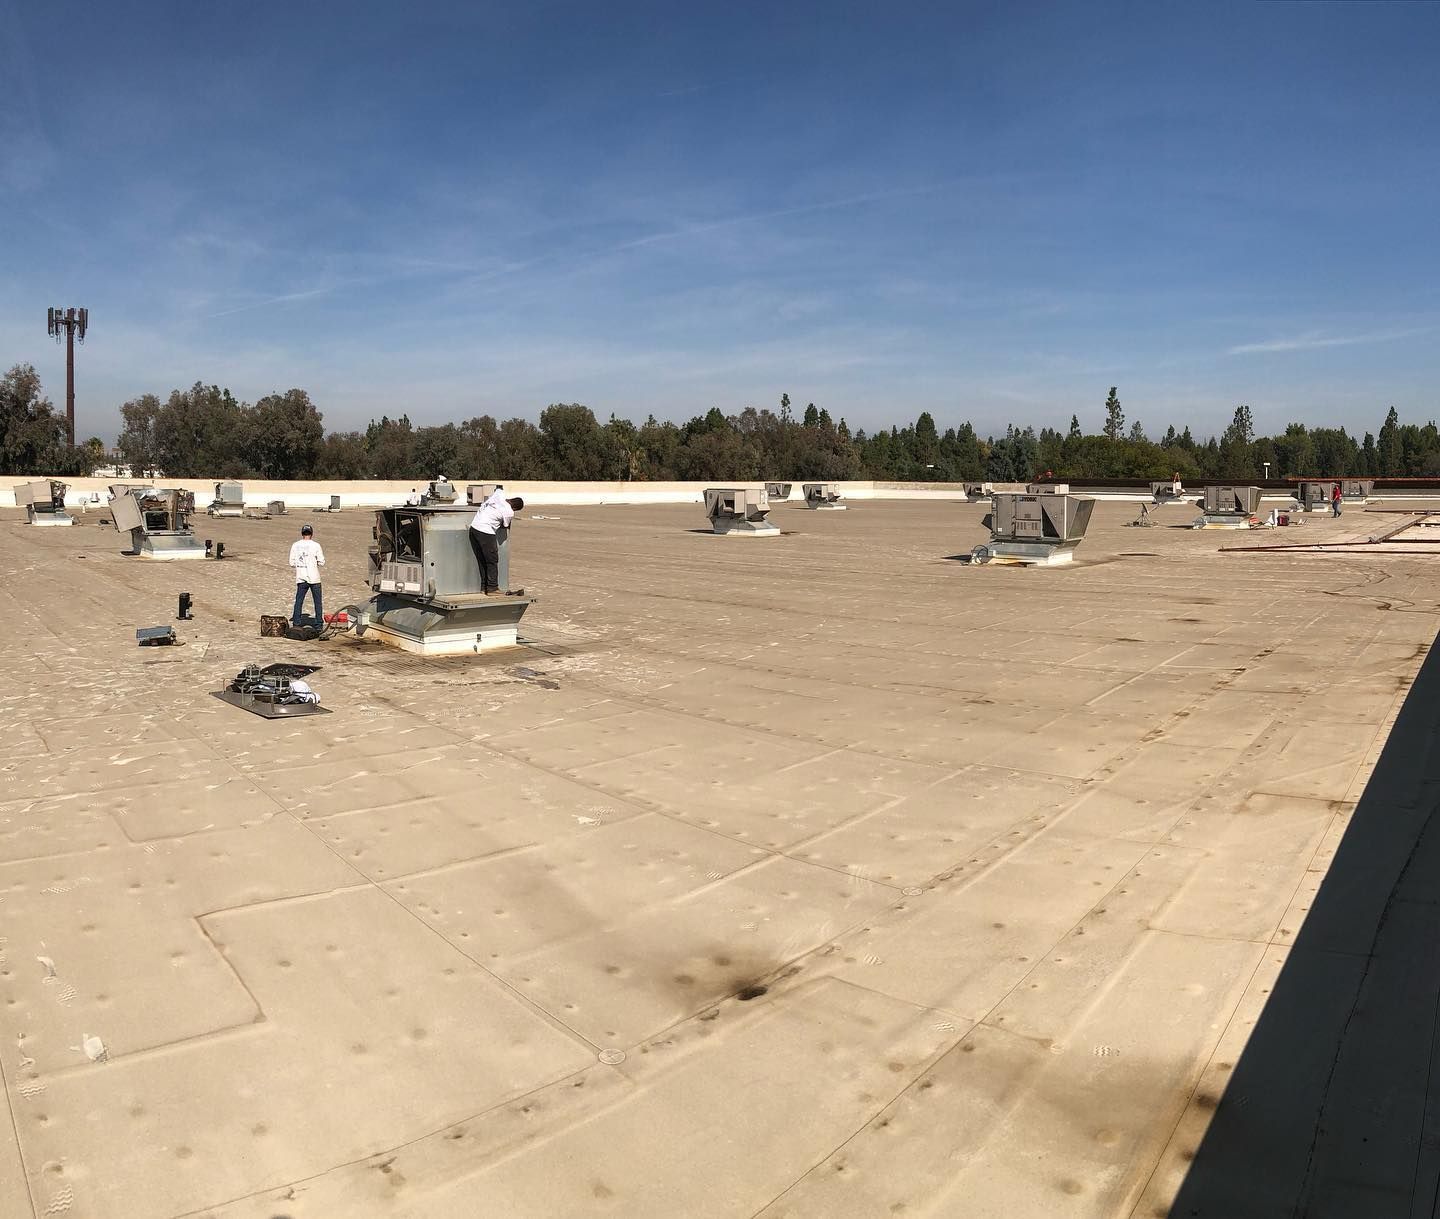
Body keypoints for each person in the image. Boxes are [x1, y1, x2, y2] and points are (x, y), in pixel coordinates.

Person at [469, 489, 525, 595]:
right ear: (515, 508)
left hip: (474, 528)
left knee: (482, 559)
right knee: (492, 560)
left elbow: (498, 489)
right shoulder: (509, 512)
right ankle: (492, 588)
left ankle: (483, 587)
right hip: (485, 531)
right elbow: (505, 525)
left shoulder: (499, 495)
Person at [288, 524, 325, 626]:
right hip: (314, 577)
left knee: (299, 601)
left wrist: (301, 565)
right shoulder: (316, 545)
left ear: (302, 534)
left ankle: (296, 622)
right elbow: (322, 562)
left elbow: (291, 563)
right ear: (311, 534)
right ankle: (318, 624)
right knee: (317, 602)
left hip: (301, 577)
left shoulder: (295, 545)